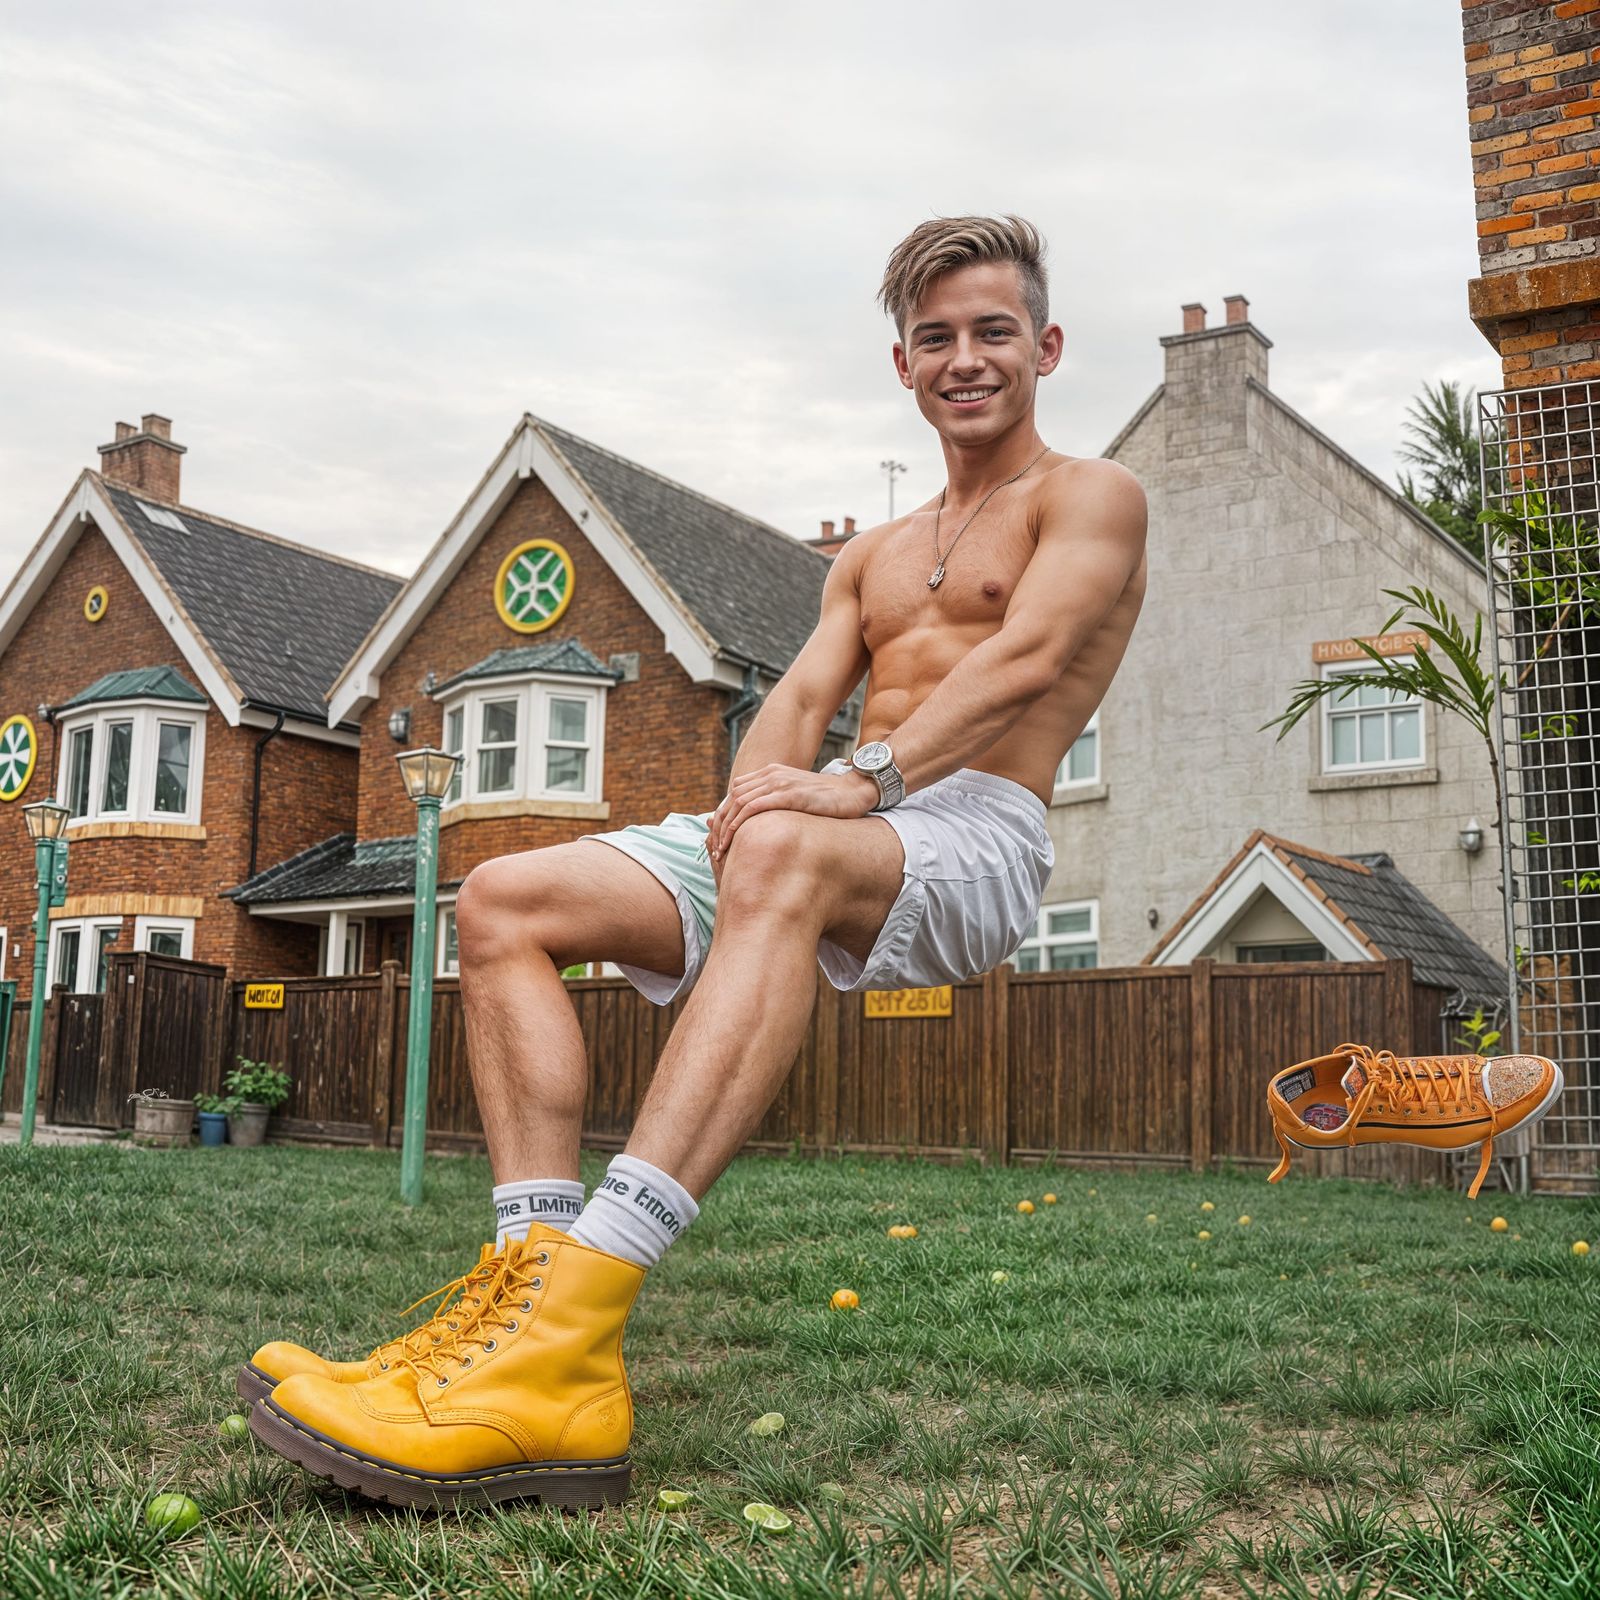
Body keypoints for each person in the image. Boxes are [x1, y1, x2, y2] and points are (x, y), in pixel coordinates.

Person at [241, 213, 1149, 1508]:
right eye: (936, 337)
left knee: (782, 843)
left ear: (1045, 348)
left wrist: (858, 782)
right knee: (502, 899)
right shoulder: (872, 556)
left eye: (993, 331)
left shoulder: (1092, 496)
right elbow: (798, 703)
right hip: (830, 823)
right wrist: (744, 815)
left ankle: (572, 1329)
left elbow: (1030, 658)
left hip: (974, 834)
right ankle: (524, 1298)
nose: (966, 359)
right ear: (903, 363)